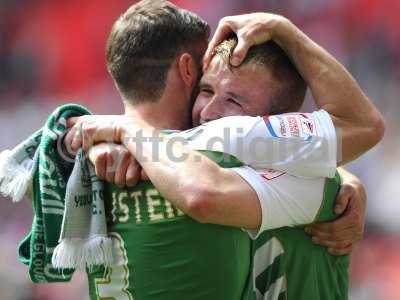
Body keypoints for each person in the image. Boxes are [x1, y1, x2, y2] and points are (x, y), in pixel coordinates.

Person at [65, 1, 383, 299]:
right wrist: (113, 143)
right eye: (206, 90)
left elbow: (203, 193)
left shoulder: (243, 150)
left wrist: (126, 133)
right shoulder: (179, 154)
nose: (210, 112)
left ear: (278, 122)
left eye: (234, 101)